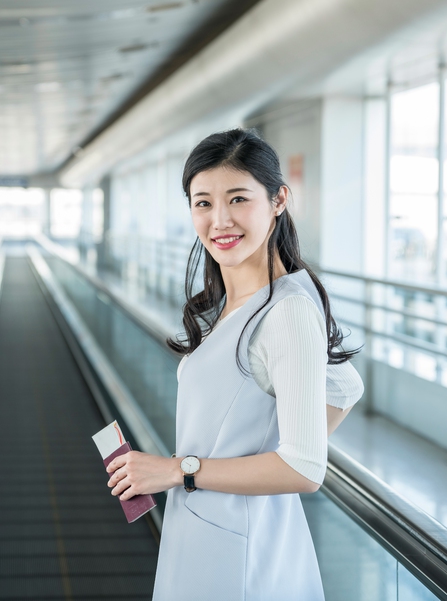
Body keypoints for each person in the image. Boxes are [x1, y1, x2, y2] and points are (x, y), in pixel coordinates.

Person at [105, 129, 364, 600]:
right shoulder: (243, 301)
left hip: (239, 557)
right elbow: (344, 386)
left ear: (279, 199)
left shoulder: (285, 310)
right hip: (213, 533)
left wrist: (179, 470)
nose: (219, 220)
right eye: (202, 203)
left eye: (238, 198)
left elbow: (305, 468)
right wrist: (259, 446)